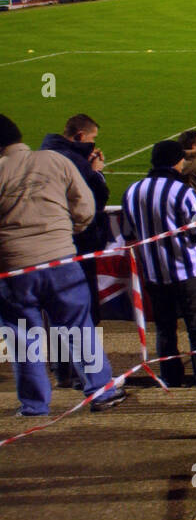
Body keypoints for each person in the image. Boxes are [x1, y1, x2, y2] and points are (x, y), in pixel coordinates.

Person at [0, 115, 125, 415]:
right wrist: (65, 233)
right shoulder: (55, 161)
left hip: (15, 269)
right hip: (61, 260)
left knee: (22, 338)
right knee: (77, 327)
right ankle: (101, 389)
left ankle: (34, 405)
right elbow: (85, 207)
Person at [121, 140, 196, 389]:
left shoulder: (132, 191)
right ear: (176, 162)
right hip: (186, 272)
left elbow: (128, 232)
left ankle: (171, 379)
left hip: (152, 273)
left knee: (165, 330)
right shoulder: (183, 191)